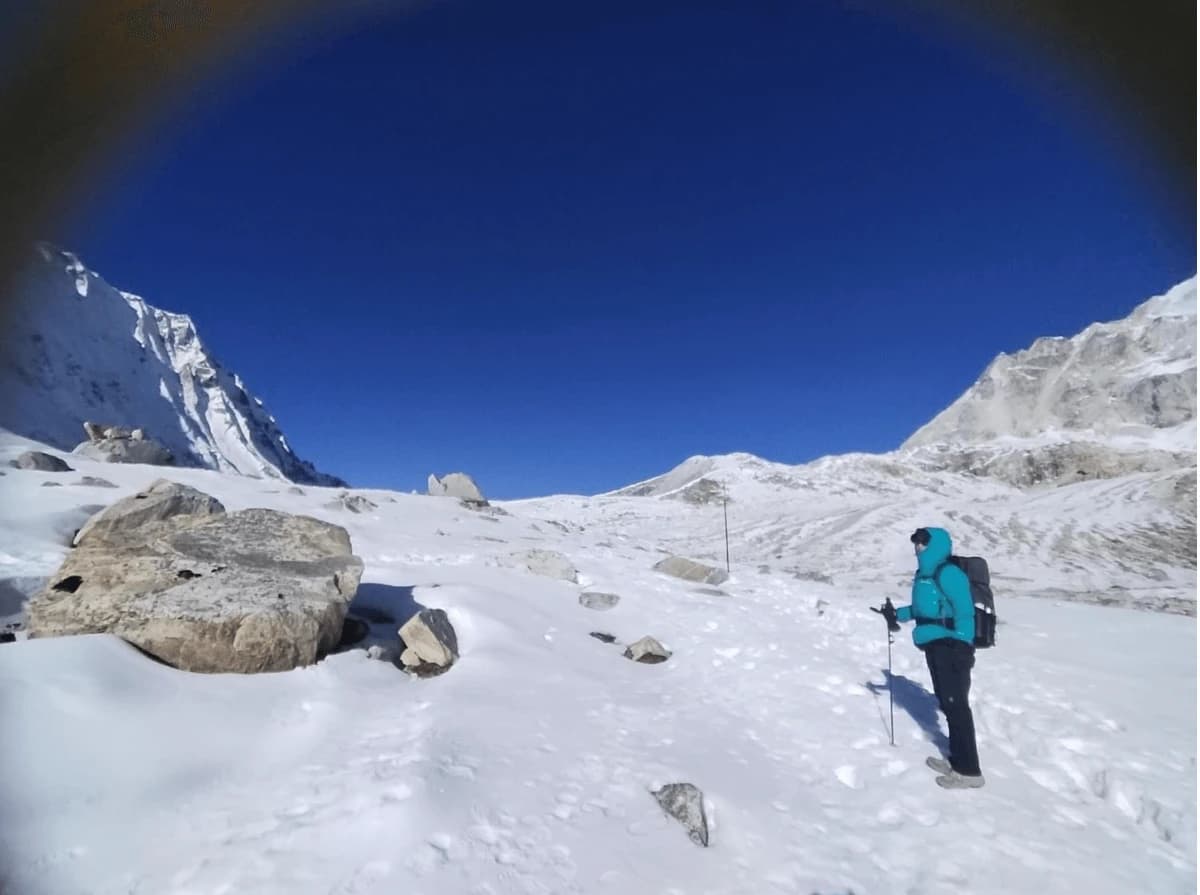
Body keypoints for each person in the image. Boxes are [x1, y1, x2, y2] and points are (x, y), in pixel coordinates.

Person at [877, 526, 984, 790]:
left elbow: (965, 610)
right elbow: (921, 609)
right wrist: (896, 615)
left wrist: (962, 643)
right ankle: (957, 759)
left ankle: (969, 771)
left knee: (956, 706)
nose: (918, 547)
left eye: (923, 542)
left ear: (936, 544)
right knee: (948, 704)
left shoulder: (948, 573)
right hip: (935, 644)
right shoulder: (925, 575)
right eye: (916, 542)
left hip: (952, 646)